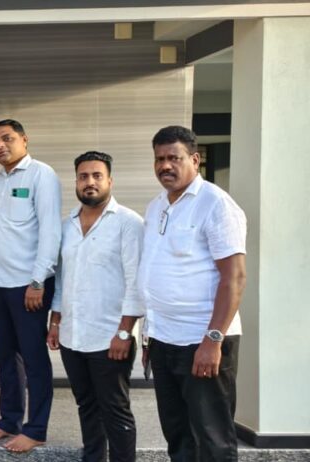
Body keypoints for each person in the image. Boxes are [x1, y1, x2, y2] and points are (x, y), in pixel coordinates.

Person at [138, 126, 246, 462]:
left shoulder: (216, 204)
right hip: (164, 340)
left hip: (202, 340)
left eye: (174, 158)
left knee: (212, 438)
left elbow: (234, 277)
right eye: (159, 159)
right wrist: (149, 336)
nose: (165, 166)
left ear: (195, 160)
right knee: (178, 434)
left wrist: (213, 340)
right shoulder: (156, 206)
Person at [46, 151, 144, 462]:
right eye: (83, 176)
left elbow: (136, 282)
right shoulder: (66, 226)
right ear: (76, 181)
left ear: (110, 180)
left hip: (110, 337)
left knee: (115, 409)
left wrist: (125, 333)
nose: (90, 182)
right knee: (86, 405)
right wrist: (55, 322)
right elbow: (61, 280)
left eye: (97, 176)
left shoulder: (129, 223)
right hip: (73, 336)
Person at [0, 119, 61, 453]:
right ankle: (9, 420)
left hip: (28, 284)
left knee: (33, 358)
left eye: (7, 138)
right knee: (6, 357)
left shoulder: (42, 174)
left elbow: (51, 231)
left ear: (24, 140)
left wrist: (38, 281)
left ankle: (36, 428)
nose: (0, 145)